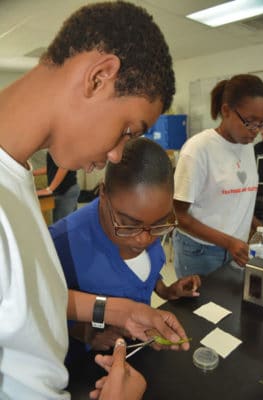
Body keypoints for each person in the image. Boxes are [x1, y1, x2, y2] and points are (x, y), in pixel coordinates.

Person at [0, 2, 187, 399]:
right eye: (126, 130)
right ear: (100, 77)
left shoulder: (14, 183)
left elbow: (22, 306)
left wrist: (119, 312)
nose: (118, 155)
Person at [49, 138, 200, 365]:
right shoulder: (61, 244)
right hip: (87, 368)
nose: (144, 238)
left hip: (139, 355)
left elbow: (144, 272)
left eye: (159, 224)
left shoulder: (147, 222)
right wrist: (85, 332)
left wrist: (165, 290)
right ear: (102, 193)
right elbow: (41, 308)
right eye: (129, 224)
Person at [173, 74, 263, 278]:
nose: (256, 132)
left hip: (236, 249)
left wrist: (258, 227)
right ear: (226, 111)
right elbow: (177, 216)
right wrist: (228, 242)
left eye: (262, 123)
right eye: (250, 122)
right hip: (200, 251)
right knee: (199, 309)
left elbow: (235, 198)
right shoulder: (198, 150)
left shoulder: (246, 146)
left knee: (231, 307)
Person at [34, 150, 80, 222]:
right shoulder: (54, 147)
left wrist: (50, 189)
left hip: (65, 191)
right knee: (68, 225)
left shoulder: (62, 145)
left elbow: (65, 166)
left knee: (62, 226)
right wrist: (32, 173)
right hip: (64, 190)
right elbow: (53, 168)